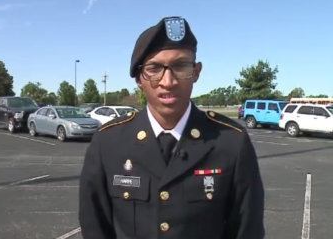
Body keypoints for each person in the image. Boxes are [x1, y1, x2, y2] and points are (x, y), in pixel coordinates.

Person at [79, 16, 264, 239]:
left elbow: (247, 230)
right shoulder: (108, 143)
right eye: (154, 68)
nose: (168, 81)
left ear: (196, 72)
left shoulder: (231, 142)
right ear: (139, 77)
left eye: (180, 66)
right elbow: (94, 228)